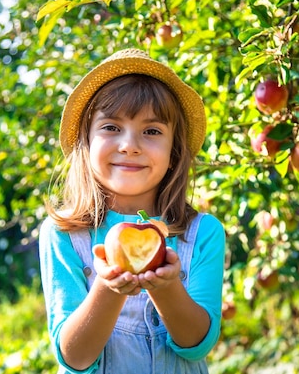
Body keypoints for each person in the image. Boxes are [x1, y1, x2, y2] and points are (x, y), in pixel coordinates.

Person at [39, 48, 226, 374]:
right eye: (111, 127)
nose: (129, 145)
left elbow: (197, 345)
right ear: (86, 141)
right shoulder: (64, 235)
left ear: (174, 150)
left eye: (151, 131)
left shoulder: (202, 233)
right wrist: (109, 286)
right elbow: (74, 358)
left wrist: (166, 287)